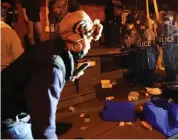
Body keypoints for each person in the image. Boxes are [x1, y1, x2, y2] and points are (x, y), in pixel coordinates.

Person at [1, 10, 103, 139]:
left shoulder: (50, 48)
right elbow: (43, 129)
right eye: (89, 40)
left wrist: (69, 74)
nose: (89, 47)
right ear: (79, 42)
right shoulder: (53, 68)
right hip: (8, 120)